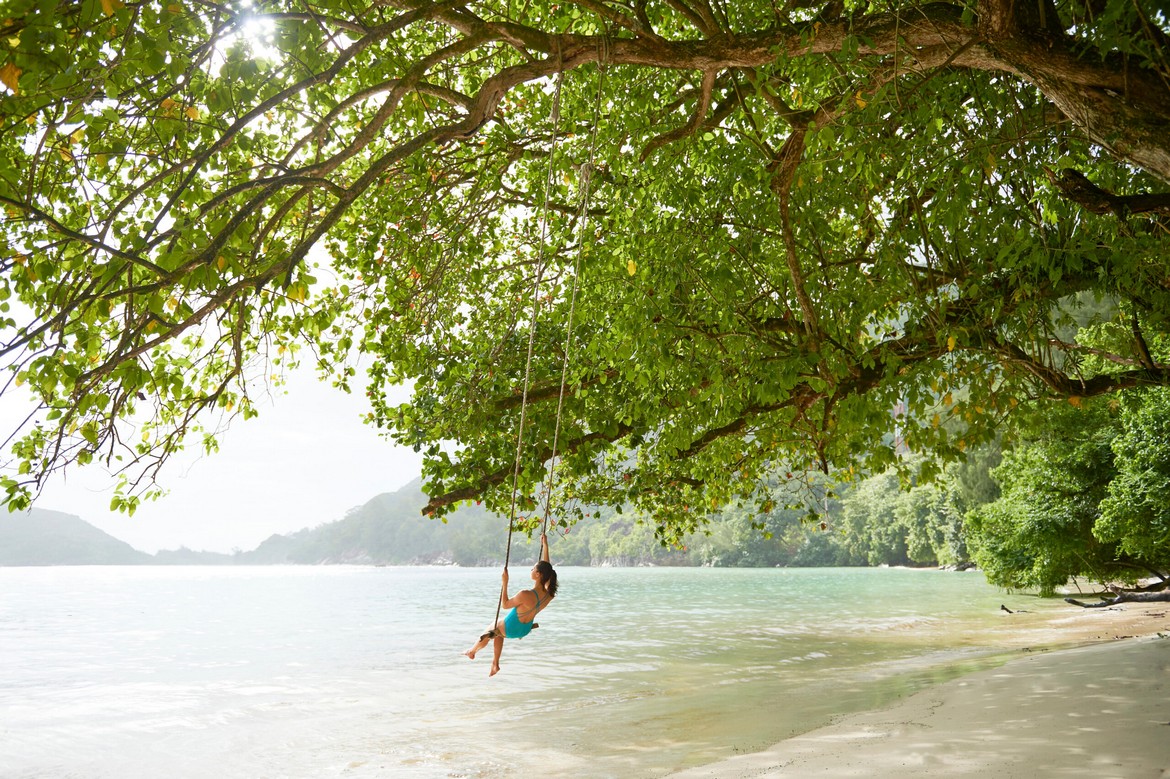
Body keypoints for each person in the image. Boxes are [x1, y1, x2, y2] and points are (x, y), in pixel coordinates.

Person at [464, 532, 557, 677]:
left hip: (512, 629)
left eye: (533, 568)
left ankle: (472, 651)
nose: (531, 570)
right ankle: (495, 664)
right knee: (498, 632)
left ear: (538, 574)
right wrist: (545, 545)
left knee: (493, 627)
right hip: (524, 629)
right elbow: (547, 569)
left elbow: (505, 605)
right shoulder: (549, 595)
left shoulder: (525, 594)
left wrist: (505, 582)